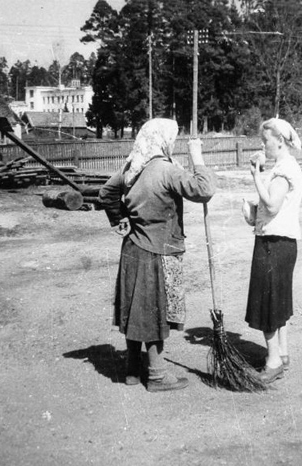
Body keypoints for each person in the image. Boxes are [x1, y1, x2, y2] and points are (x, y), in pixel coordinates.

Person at [98, 118, 216, 392]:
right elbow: (204, 189)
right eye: (172, 138)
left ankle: (131, 370)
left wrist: (121, 218)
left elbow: (106, 193)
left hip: (132, 249)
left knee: (135, 310)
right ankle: (157, 375)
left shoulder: (133, 165)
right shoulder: (165, 170)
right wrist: (197, 156)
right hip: (157, 252)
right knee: (154, 314)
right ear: (163, 140)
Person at [244, 118, 302, 384]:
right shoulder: (287, 167)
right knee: (278, 301)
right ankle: (283, 354)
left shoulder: (282, 172)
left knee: (268, 303)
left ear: (279, 141)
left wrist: (256, 175)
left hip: (273, 245)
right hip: (283, 243)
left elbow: (272, 206)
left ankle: (273, 361)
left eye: (265, 140)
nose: (263, 145)